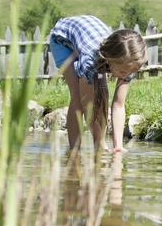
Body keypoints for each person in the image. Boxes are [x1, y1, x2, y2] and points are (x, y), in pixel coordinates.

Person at [48, 15, 146, 152]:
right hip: (62, 39)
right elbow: (87, 104)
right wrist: (101, 142)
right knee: (77, 98)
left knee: (102, 93)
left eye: (132, 71)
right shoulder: (90, 60)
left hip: (89, 38)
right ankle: (74, 151)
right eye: (123, 71)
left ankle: (101, 146)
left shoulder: (131, 63)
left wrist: (118, 146)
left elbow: (118, 104)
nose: (127, 74)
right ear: (110, 59)